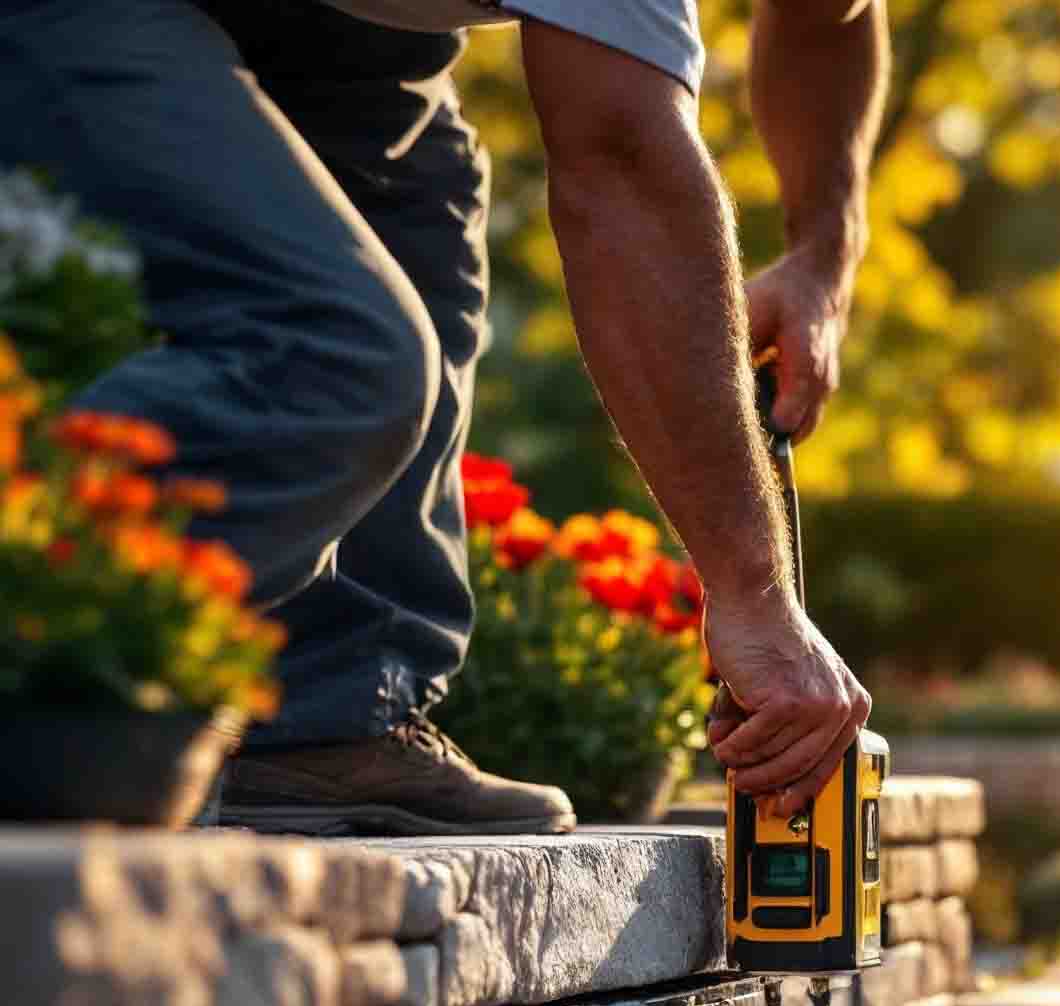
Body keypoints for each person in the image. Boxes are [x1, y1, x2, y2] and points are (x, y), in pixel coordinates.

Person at [0, 0, 882, 834]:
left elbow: (828, 19)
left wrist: (822, 258)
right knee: (332, 352)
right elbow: (619, 163)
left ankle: (320, 724)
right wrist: (754, 594)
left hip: (349, 34)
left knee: (414, 211)